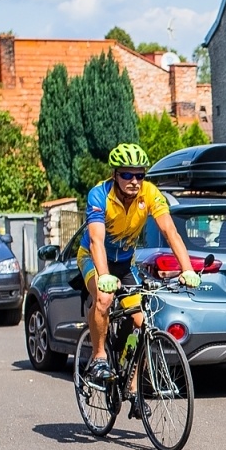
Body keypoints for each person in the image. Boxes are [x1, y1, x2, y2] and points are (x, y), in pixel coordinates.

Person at [78, 143, 198, 381]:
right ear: (115, 175)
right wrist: (103, 276)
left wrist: (187, 269)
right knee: (104, 298)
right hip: (93, 259)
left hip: (124, 262)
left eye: (140, 175)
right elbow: (96, 241)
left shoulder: (150, 193)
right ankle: (100, 357)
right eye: (126, 174)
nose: (134, 180)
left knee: (141, 323)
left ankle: (132, 388)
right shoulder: (99, 195)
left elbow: (170, 232)